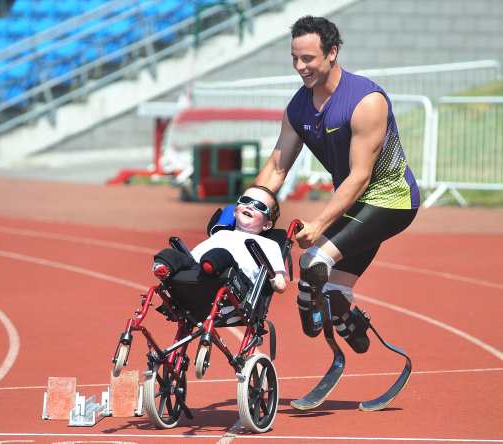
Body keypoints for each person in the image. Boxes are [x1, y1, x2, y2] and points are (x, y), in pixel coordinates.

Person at [254, 16, 420, 353]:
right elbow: (276, 166)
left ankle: (307, 306)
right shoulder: (298, 107)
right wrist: (248, 207)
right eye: (295, 58)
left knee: (313, 262)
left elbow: (360, 177)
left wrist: (318, 224)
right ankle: (352, 324)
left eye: (308, 59)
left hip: (391, 201)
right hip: (355, 203)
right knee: (333, 292)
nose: (300, 67)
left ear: (332, 53)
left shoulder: (365, 101)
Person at [152, 185, 287, 293]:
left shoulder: (269, 244)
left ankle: (209, 267)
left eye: (259, 206)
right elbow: (193, 257)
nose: (250, 206)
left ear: (267, 225)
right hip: (200, 273)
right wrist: (180, 259)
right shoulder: (221, 234)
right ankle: (164, 267)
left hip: (235, 283)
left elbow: (278, 276)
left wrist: (278, 281)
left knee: (221, 255)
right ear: (234, 211)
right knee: (172, 253)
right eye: (245, 200)